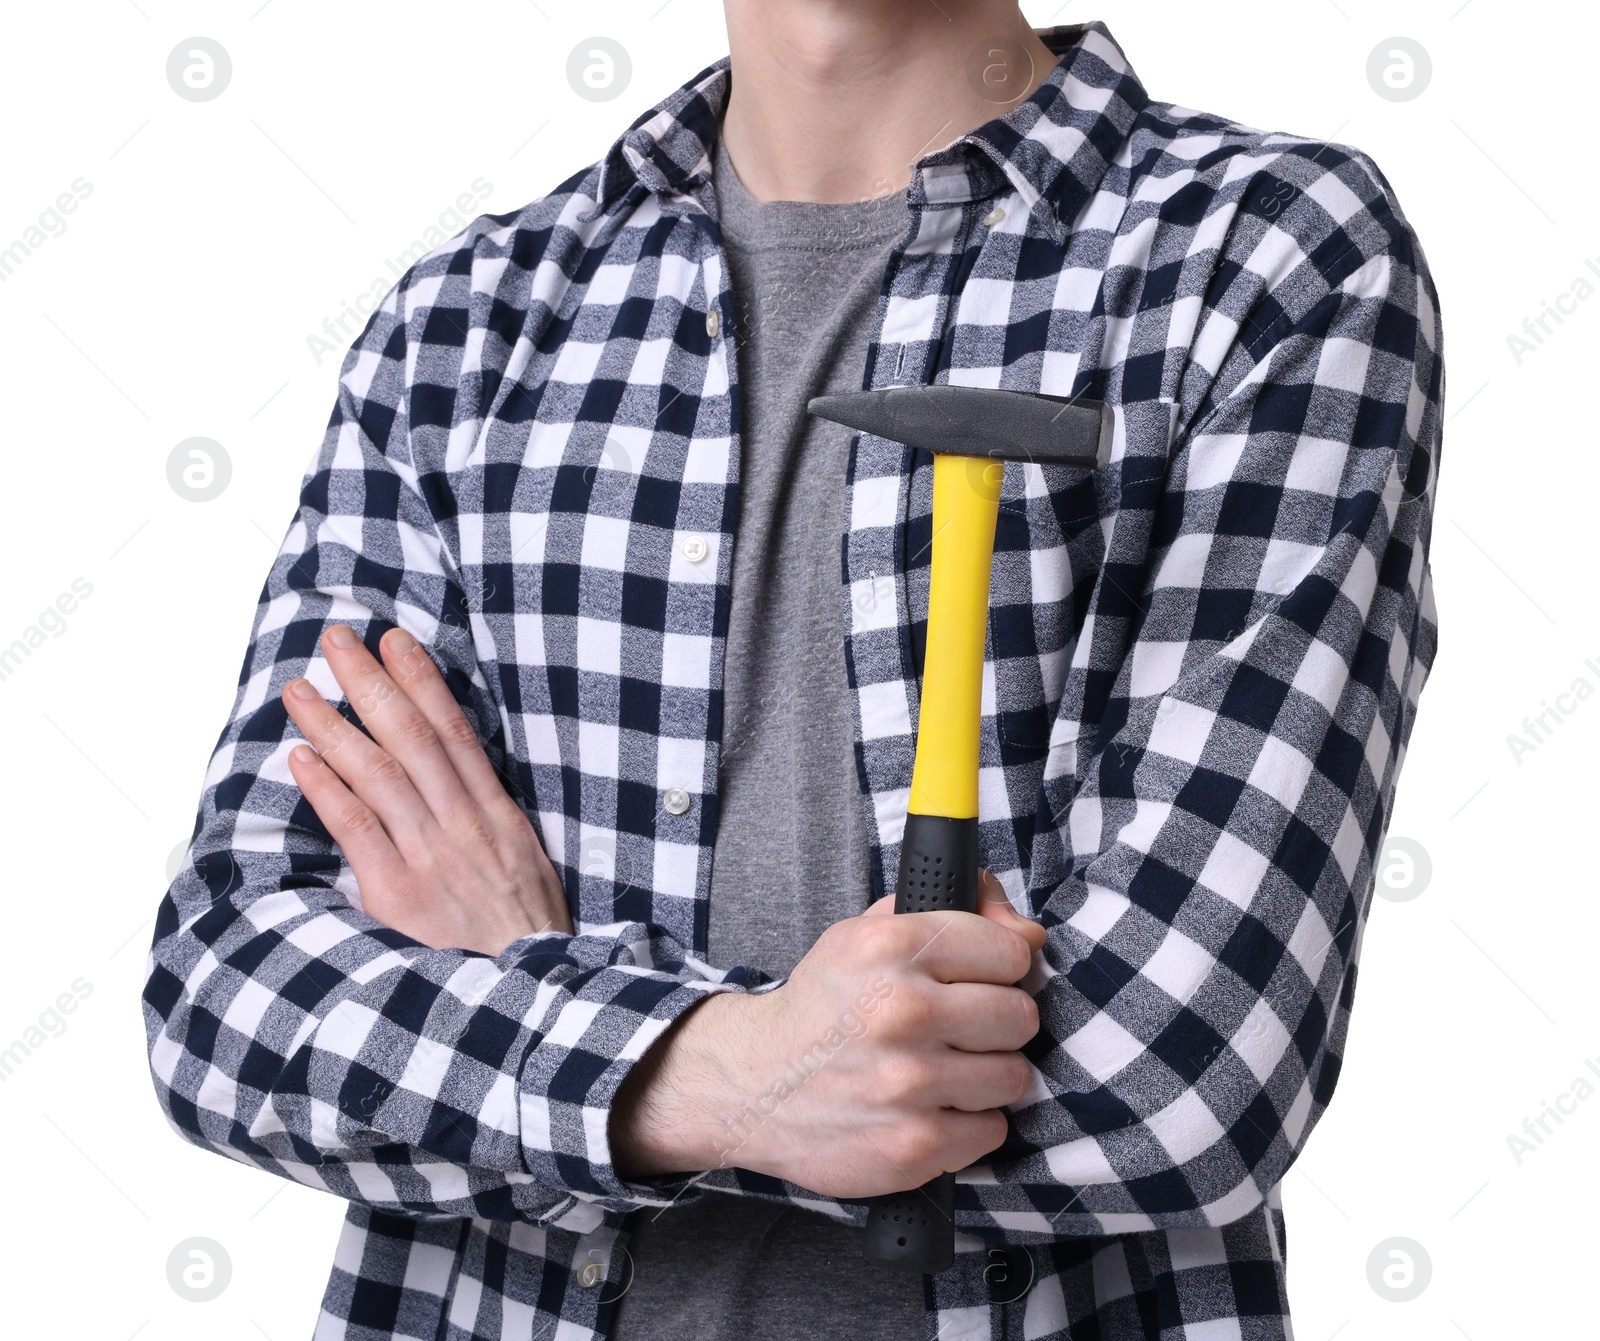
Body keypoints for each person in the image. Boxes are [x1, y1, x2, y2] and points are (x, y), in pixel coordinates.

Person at [142, 4, 1443, 1338]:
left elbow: (1189, 1067)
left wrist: (532, 999)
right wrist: (729, 1075)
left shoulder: (1262, 261)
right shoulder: (463, 333)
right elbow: (229, 999)